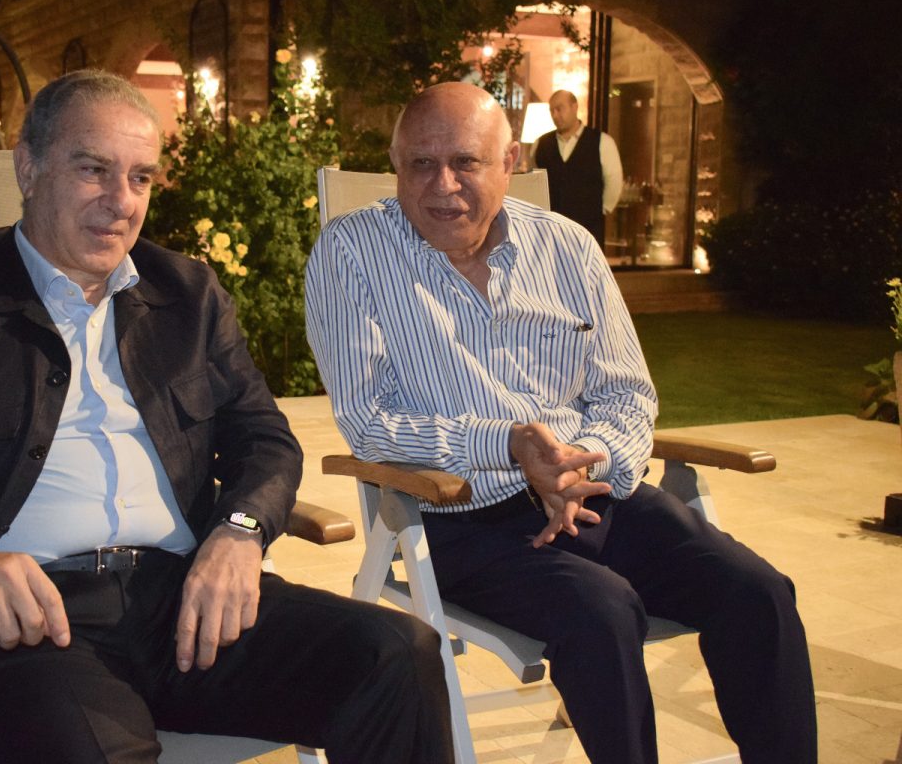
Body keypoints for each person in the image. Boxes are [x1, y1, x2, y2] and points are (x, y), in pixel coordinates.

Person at [0, 70, 453, 764]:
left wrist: (240, 530)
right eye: (94, 170)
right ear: (29, 168)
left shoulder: (186, 296)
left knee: (396, 655)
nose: (121, 202)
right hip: (26, 628)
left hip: (186, 603)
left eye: (140, 177)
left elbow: (265, 438)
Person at [304, 81, 816, 764]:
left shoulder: (568, 247)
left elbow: (627, 393)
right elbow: (370, 423)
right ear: (395, 164)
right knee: (603, 612)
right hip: (464, 518)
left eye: (465, 162)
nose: (443, 185)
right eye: (420, 164)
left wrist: (580, 461)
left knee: (758, 594)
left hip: (597, 495)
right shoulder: (352, 254)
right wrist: (511, 445)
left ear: (509, 161)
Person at [533, 89, 622, 248]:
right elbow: (534, 183)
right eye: (551, 111)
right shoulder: (541, 144)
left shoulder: (602, 142)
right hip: (550, 233)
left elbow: (614, 181)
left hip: (588, 230)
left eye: (559, 109)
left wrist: (600, 210)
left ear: (574, 107)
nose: (555, 115)